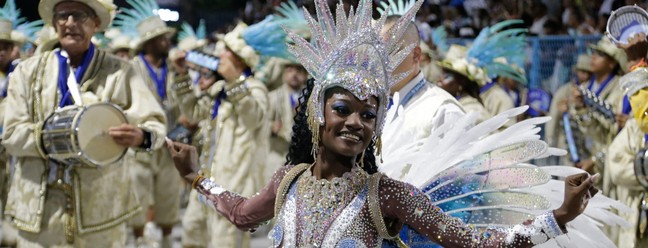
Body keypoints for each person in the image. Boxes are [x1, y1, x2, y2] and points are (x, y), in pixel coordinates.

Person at [167, 0, 596, 246]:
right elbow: (243, 215)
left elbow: (473, 244)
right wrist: (196, 178)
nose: (356, 122)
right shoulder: (289, 180)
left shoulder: (386, 194)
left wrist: (557, 217)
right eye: (343, 110)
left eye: (369, 114)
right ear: (318, 112)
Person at [2, 0, 167, 246]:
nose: (70, 23)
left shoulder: (120, 71)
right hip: (39, 211)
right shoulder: (26, 72)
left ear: (96, 23)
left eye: (79, 15)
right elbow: (12, 135)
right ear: (54, 22)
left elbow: (154, 124)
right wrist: (61, 137)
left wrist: (140, 136)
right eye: (62, 15)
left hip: (102, 211)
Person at [113, 1, 191, 246]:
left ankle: (167, 240)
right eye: (162, 39)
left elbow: (187, 106)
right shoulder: (131, 68)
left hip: (169, 142)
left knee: (169, 193)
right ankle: (139, 240)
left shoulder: (174, 68)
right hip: (141, 143)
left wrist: (181, 76)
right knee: (138, 193)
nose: (167, 42)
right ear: (149, 42)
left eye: (167, 38)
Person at [570, 37, 627, 175]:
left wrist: (596, 160)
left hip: (607, 164)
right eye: (593, 52)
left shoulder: (621, 89)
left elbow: (615, 133)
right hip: (581, 158)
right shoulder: (583, 88)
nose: (593, 57)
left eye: (600, 54)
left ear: (612, 63)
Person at [545, 54, 593, 166]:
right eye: (583, 72)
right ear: (576, 71)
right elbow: (553, 118)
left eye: (589, 73)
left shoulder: (593, 91)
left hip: (589, 146)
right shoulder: (564, 91)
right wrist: (550, 142)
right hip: (569, 145)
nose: (585, 76)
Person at [267, 62, 307, 180]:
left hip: (301, 155)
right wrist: (271, 127)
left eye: (299, 71)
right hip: (278, 152)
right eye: (290, 70)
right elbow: (261, 123)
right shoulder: (273, 97)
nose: (294, 74)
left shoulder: (309, 98)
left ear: (306, 75)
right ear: (283, 74)